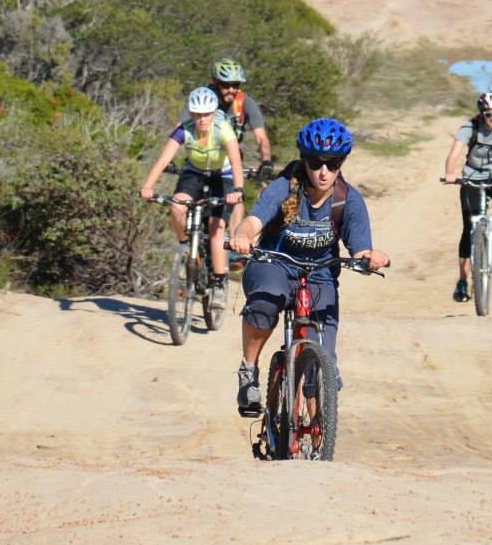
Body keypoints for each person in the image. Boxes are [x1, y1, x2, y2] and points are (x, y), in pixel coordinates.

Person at [227, 118, 389, 418]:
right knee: (265, 302)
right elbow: (253, 221)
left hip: (320, 275)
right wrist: (242, 236)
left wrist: (371, 258)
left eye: (333, 164)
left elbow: (360, 250)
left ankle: (318, 430)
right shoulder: (284, 187)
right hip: (274, 263)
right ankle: (249, 372)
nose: (324, 172)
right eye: (316, 163)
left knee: (322, 356)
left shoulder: (348, 201)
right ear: (305, 160)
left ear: (341, 163)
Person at [139, 86, 245, 303]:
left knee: (216, 230)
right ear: (191, 114)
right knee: (177, 206)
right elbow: (163, 159)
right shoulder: (184, 130)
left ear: (213, 113)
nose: (202, 119)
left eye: (206, 114)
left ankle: (219, 284)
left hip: (222, 176)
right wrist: (148, 186)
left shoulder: (223, 129)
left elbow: (236, 161)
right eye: (197, 114)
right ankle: (186, 246)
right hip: (194, 173)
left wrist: (237, 190)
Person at [439, 91, 492, 304]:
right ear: (481, 114)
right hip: (472, 176)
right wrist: (450, 174)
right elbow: (454, 154)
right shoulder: (469, 127)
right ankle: (462, 281)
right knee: (468, 229)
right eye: (488, 114)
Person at [209, 57, 273, 239]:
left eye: (235, 85)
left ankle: (235, 240)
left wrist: (266, 160)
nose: (231, 90)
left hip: (231, 162)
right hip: (202, 160)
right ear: (215, 83)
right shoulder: (203, 98)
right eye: (226, 85)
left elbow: (261, 136)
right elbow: (180, 129)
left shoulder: (244, 102)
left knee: (237, 198)